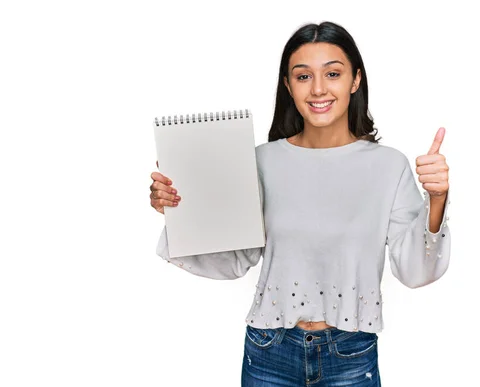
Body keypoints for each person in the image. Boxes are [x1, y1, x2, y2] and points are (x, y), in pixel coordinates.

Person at [149, 21, 451, 386]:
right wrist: (180, 212)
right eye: (303, 76)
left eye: (333, 73)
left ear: (355, 80)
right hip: (269, 352)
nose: (319, 89)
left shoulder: (388, 165)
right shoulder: (261, 161)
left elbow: (414, 269)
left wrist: (437, 199)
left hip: (350, 356)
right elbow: (234, 259)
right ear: (288, 86)